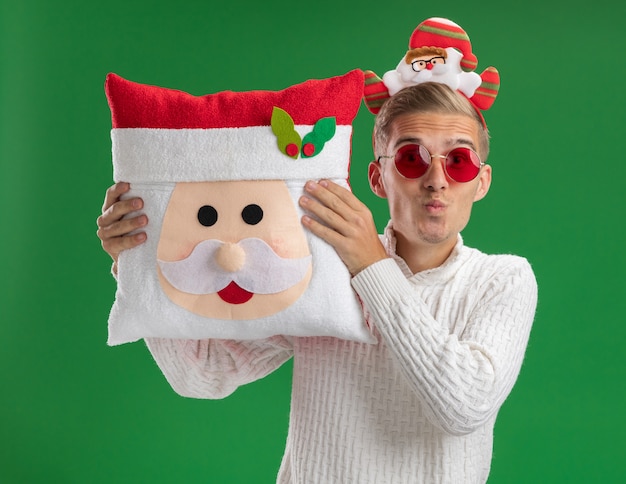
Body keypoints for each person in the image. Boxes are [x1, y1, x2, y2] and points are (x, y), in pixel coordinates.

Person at [97, 80, 537, 483]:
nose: (436, 181)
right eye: (410, 157)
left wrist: (372, 268)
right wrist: (136, 263)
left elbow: (464, 407)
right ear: (377, 178)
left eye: (458, 161)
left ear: (481, 182)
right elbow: (204, 374)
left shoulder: (502, 279)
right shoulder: (323, 269)